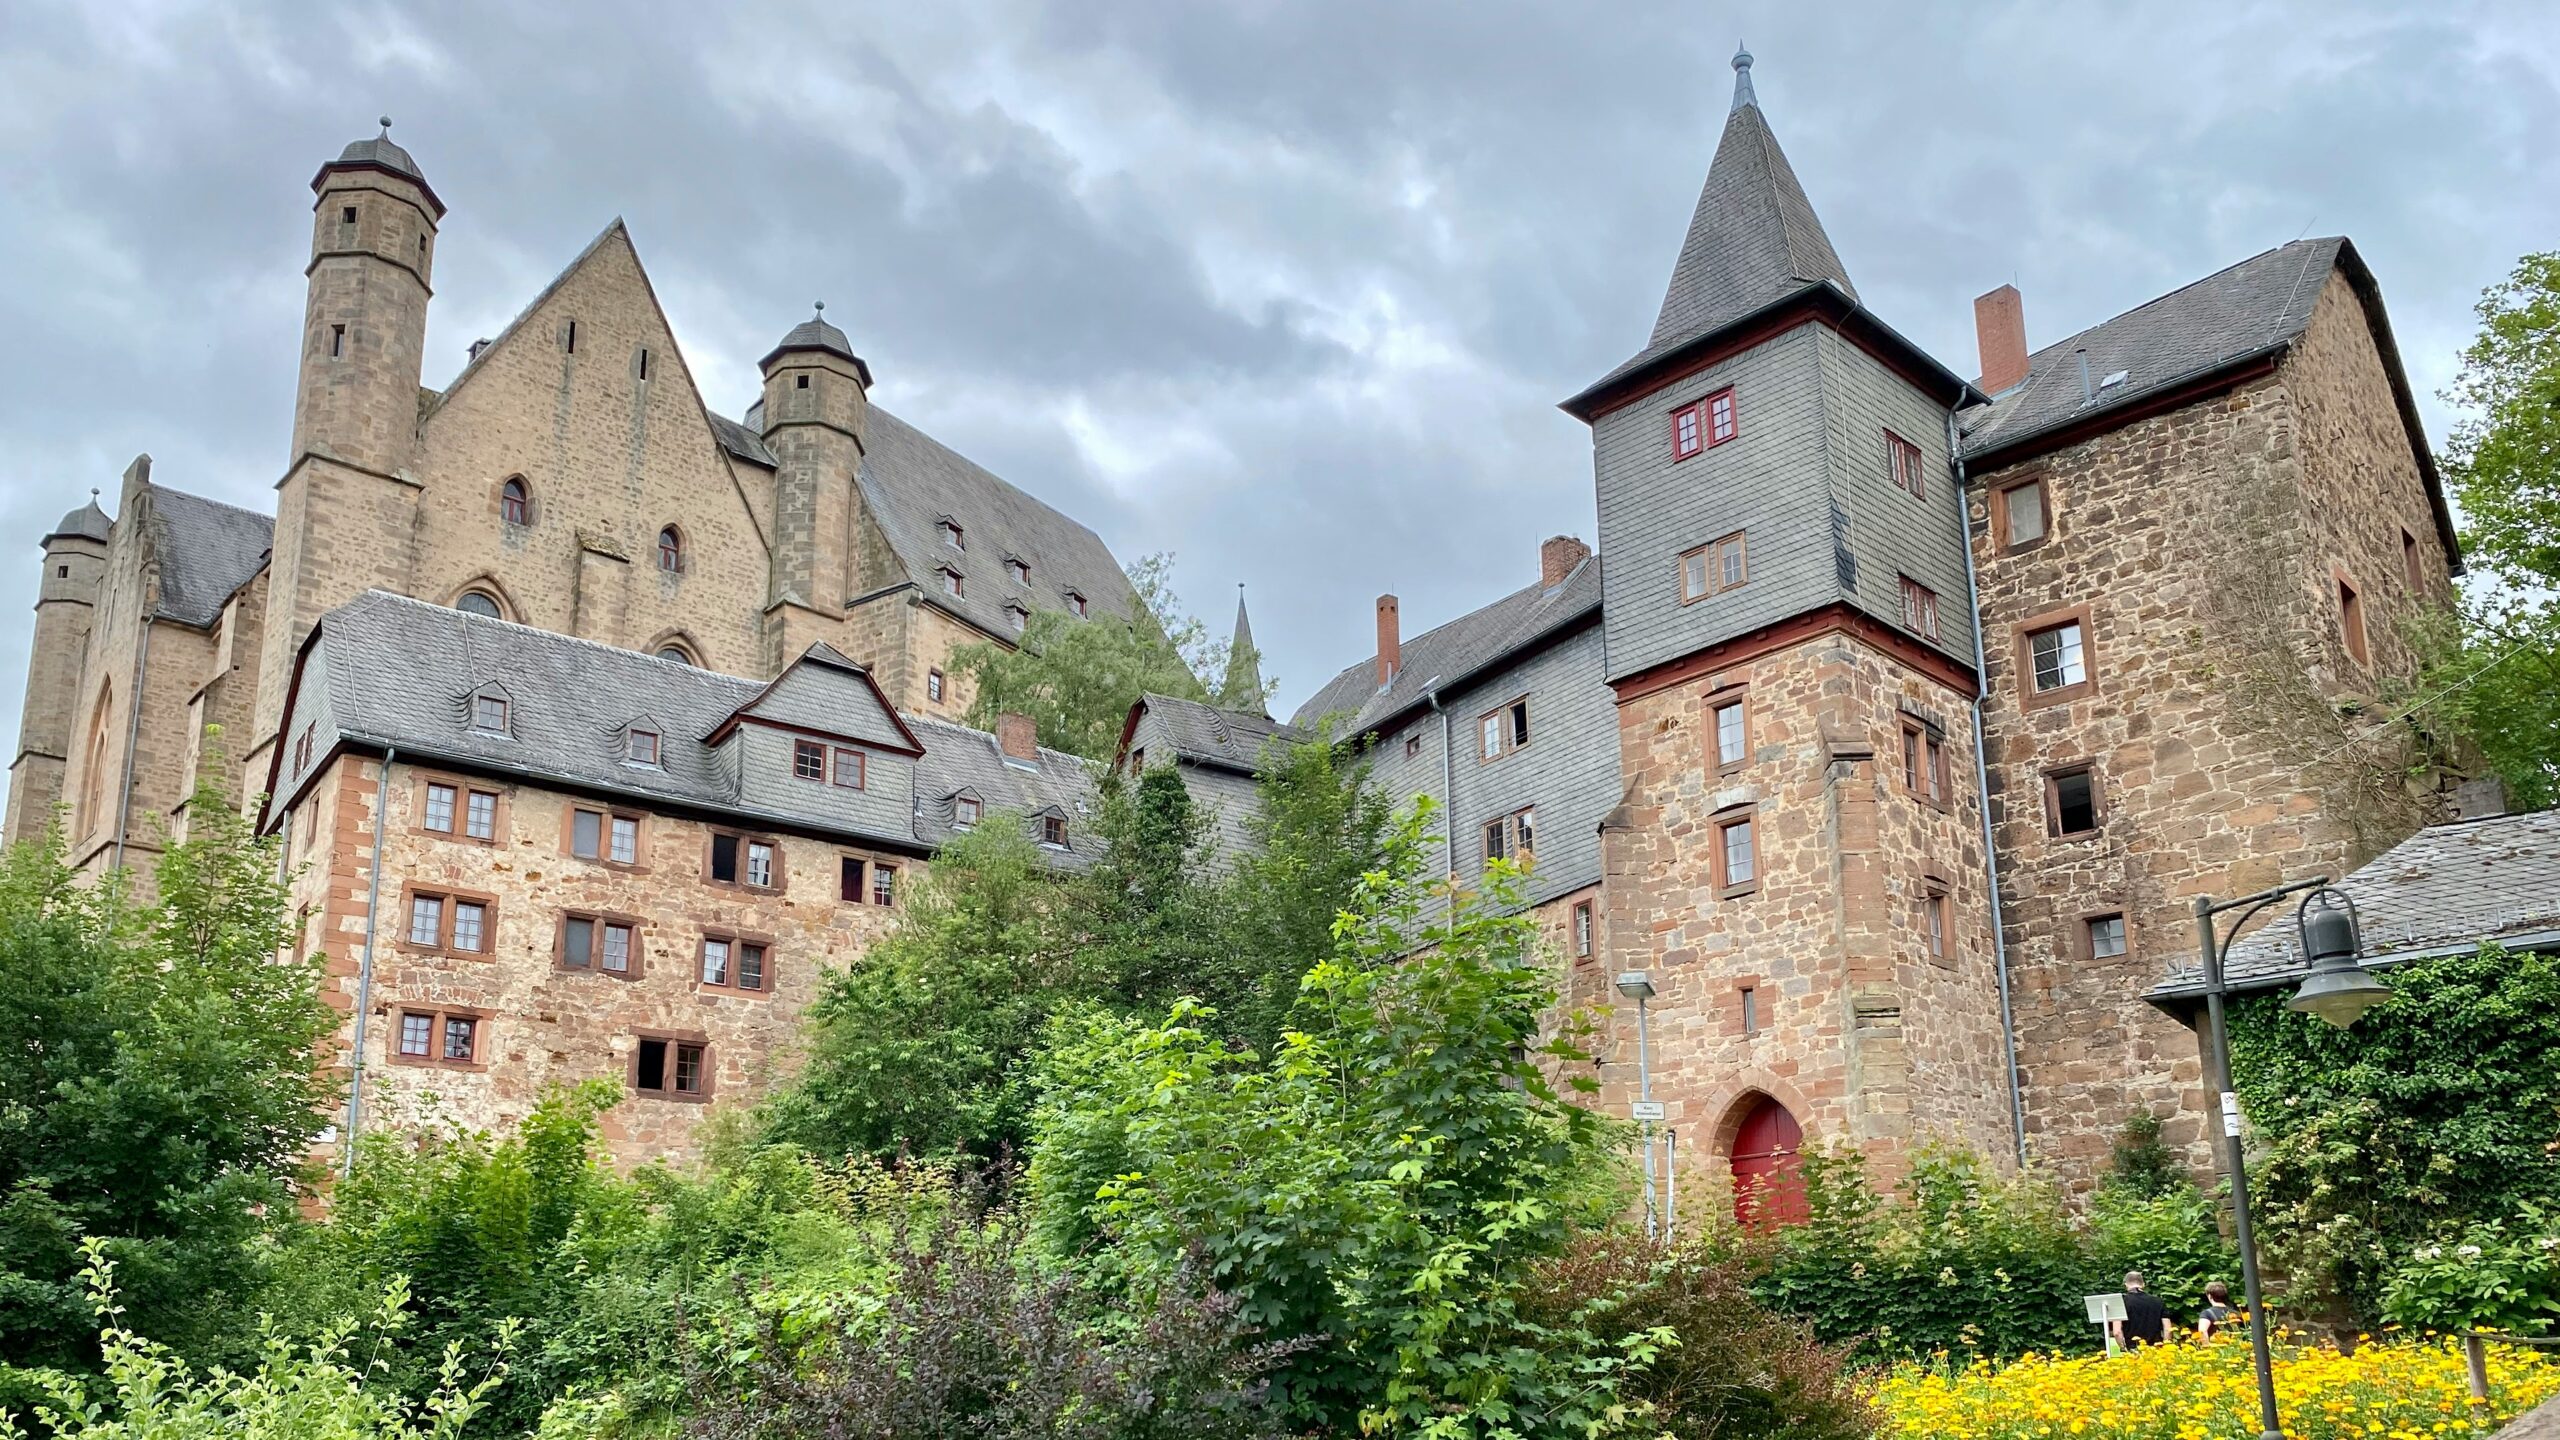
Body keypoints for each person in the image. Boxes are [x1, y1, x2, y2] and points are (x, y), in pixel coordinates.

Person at [2112, 1270, 2171, 1350]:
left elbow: (2117, 1332)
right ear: (2143, 1284)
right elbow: (2168, 1329)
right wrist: (2165, 1348)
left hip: (2134, 1350)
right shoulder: (2158, 1301)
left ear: (2126, 1284)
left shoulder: (2120, 1303)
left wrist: (2123, 1348)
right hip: (2156, 1348)